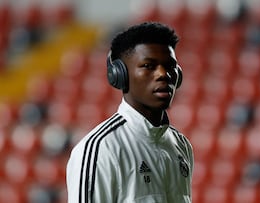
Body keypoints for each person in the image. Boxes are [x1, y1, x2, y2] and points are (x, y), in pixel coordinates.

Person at [66, 22, 194, 203]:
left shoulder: (181, 145)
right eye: (149, 66)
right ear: (120, 75)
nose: (163, 74)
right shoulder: (101, 148)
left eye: (169, 66)